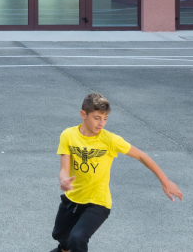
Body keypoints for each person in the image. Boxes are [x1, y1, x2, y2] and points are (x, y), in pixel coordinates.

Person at [53, 93, 184, 252]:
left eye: (105, 118)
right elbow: (64, 169)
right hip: (72, 199)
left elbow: (141, 156)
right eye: (97, 118)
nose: (102, 123)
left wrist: (165, 181)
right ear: (83, 114)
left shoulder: (110, 140)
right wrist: (64, 180)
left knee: (77, 238)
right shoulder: (68, 135)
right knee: (60, 237)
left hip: (98, 202)